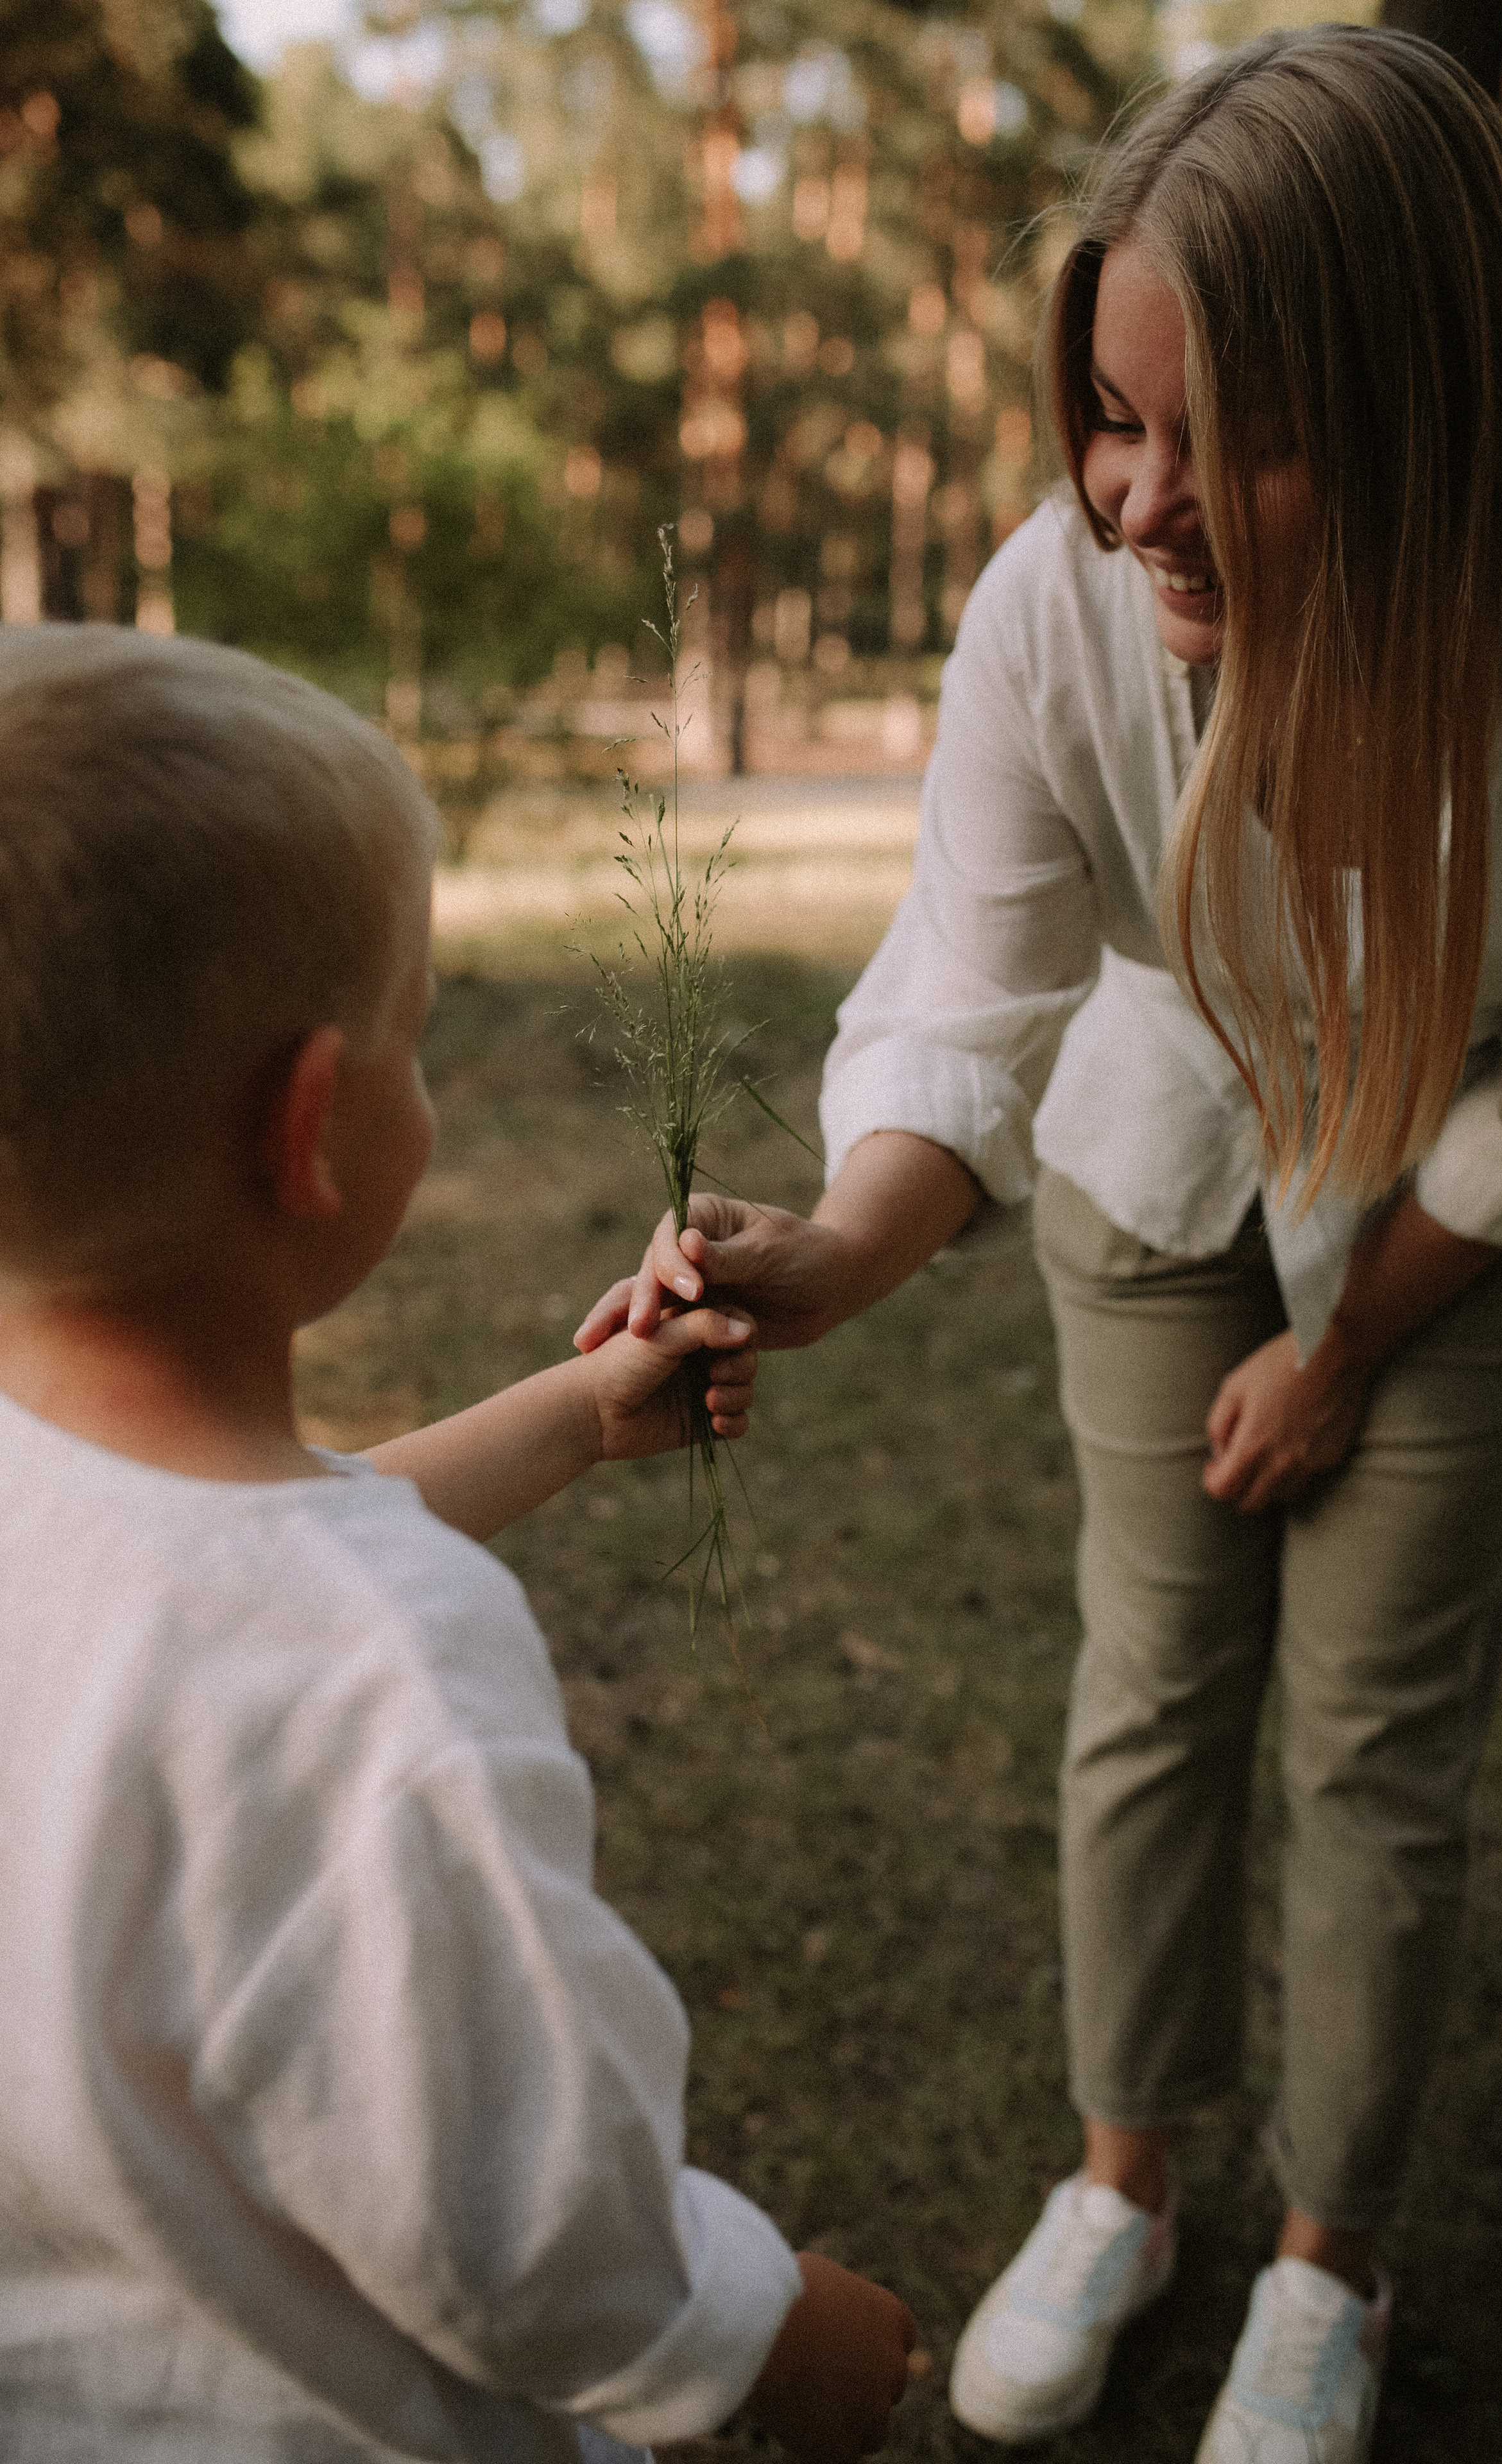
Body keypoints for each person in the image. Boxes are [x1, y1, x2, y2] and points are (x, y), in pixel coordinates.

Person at [583, 28, 1502, 2463]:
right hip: (1162, 1148)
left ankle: (1325, 2260)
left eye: (1224, 435)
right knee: (1154, 1683)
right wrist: (837, 1255)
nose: (1138, 499)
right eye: (1108, 415)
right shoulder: (1055, 611)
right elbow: (976, 979)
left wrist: (1355, 1342)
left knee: (1380, 1735)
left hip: (1482, 1191)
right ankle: (1126, 2181)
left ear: (1428, 406)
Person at [0, 622, 917, 2463]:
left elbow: (216, 1570)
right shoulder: (376, 1682)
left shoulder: (94, 1515)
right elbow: (523, 2226)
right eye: (415, 1036)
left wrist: (580, 1411)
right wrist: (781, 2339)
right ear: (314, 1123)